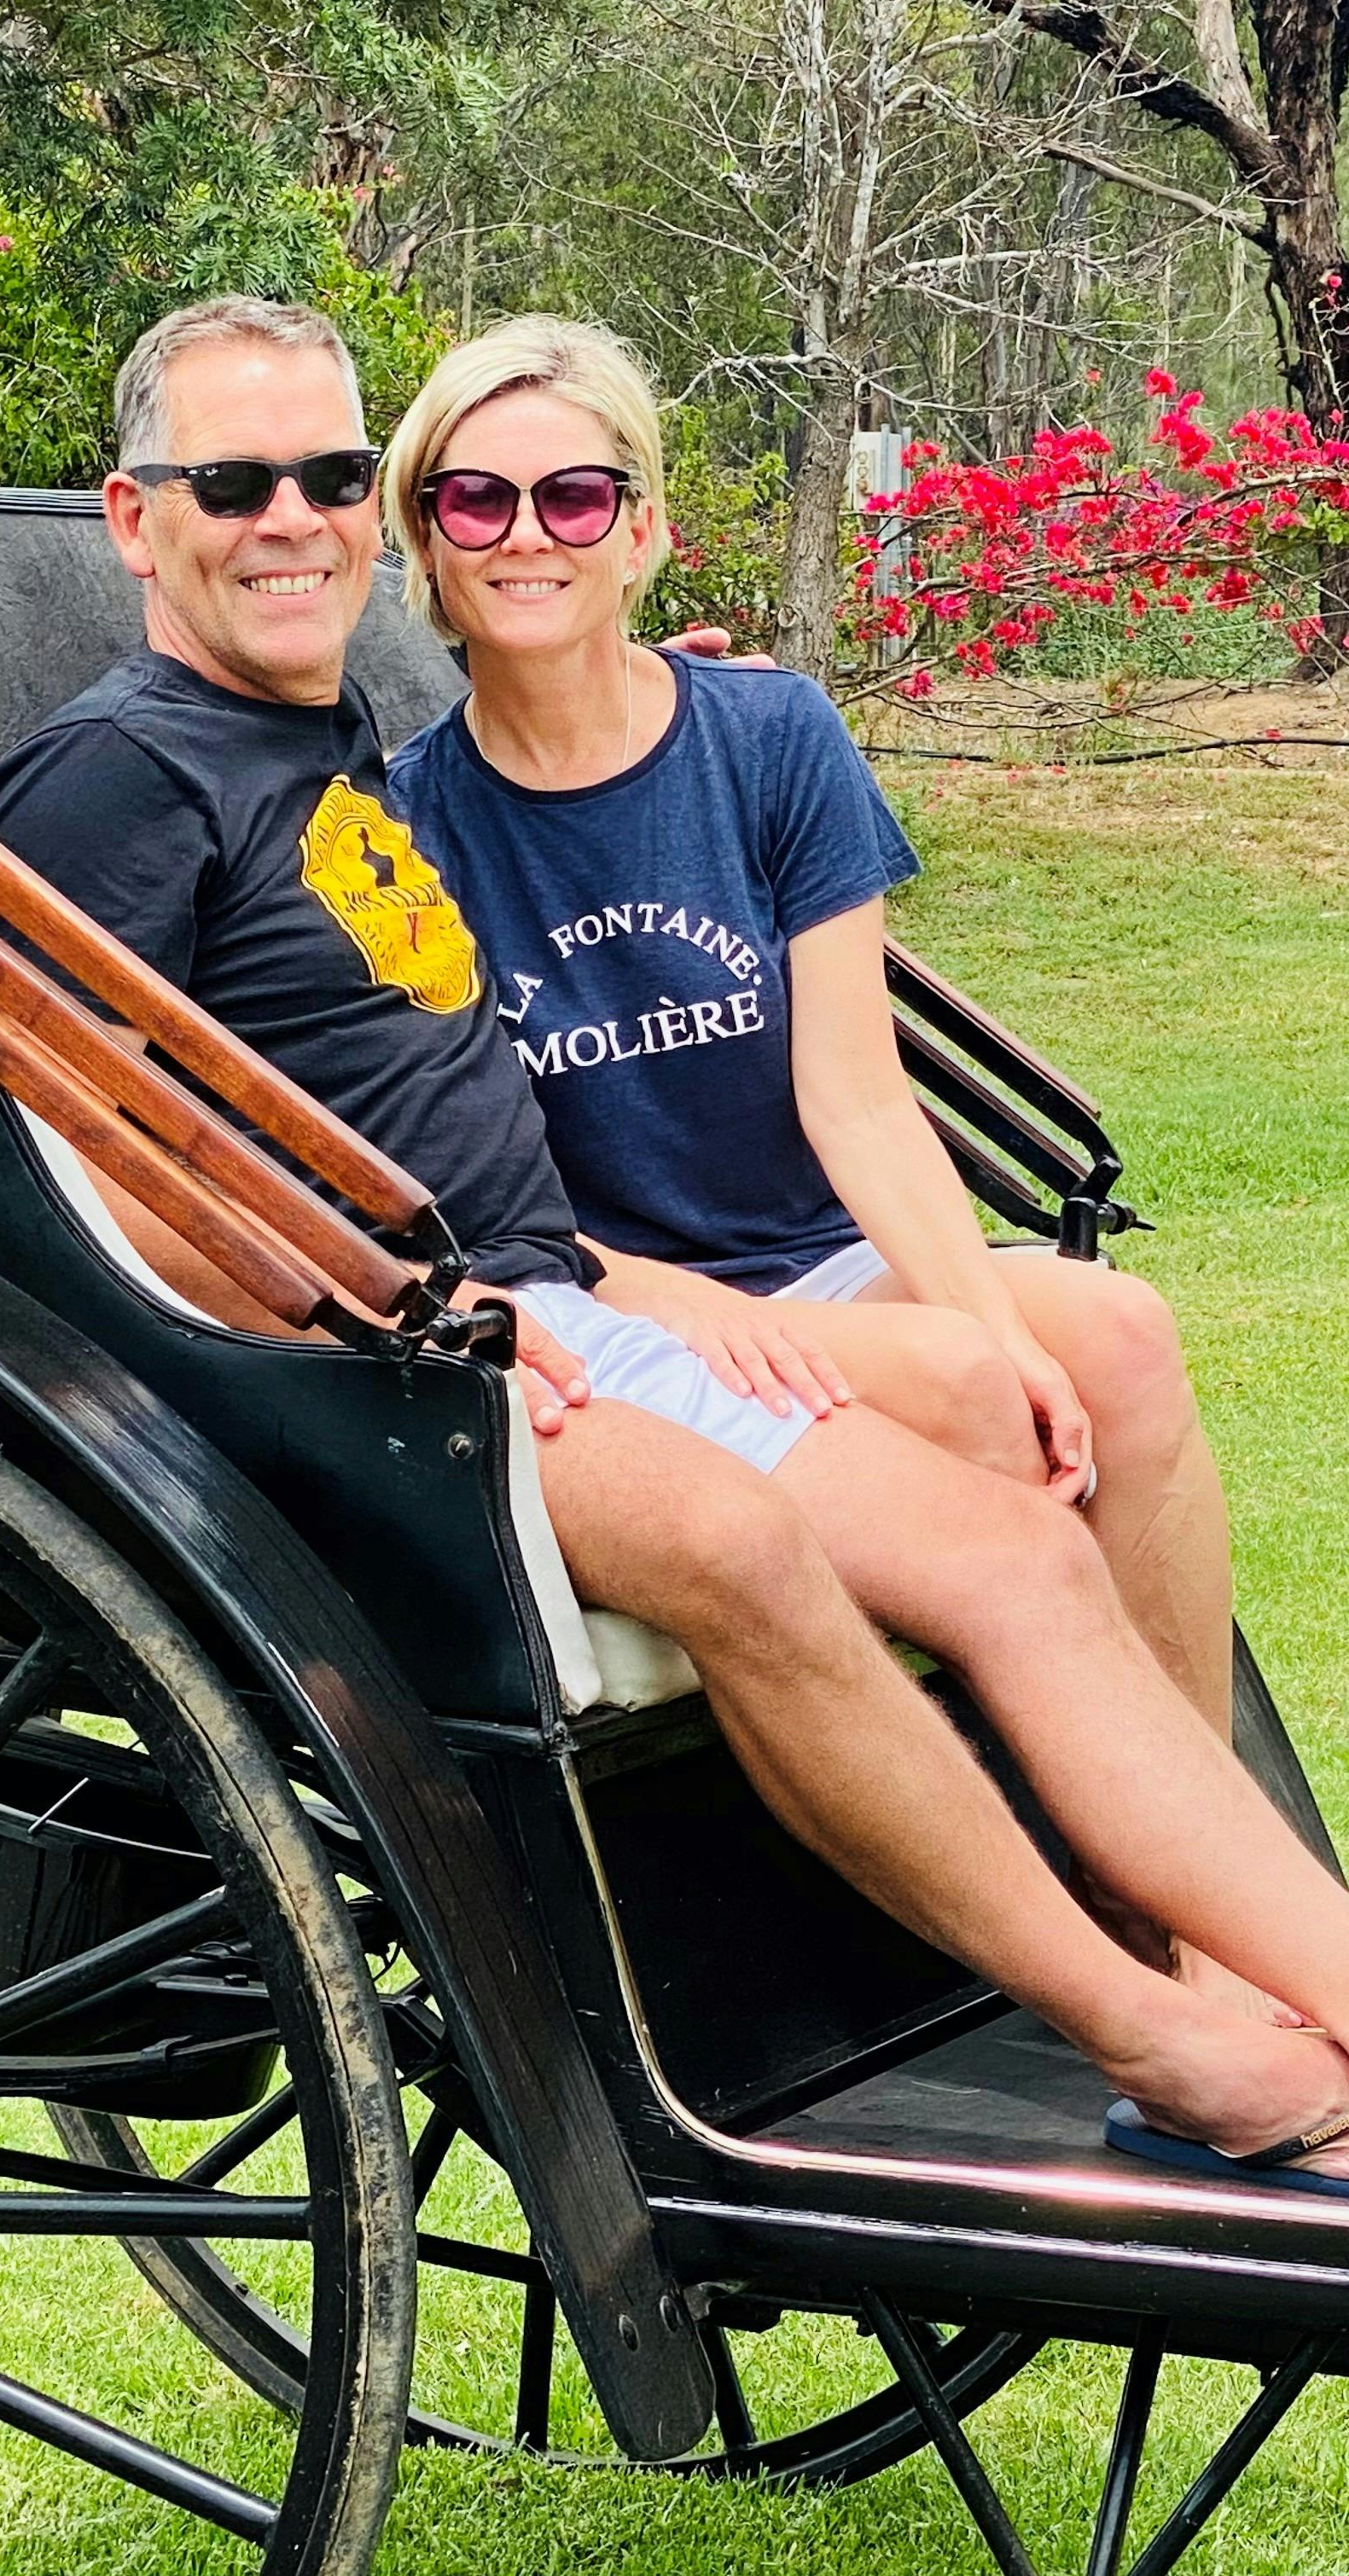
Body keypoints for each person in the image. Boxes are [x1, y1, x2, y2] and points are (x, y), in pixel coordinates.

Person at [0, 293, 1349, 2180]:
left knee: (1014, 1553)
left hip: (539, 1315)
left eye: (327, 475)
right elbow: (85, 1153)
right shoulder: (119, 777)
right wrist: (405, 1296)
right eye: (236, 481)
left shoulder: (335, 746)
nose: (293, 516)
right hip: (389, 1375)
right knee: (749, 1537)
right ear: (136, 519)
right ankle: (1184, 2040)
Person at [378, 316, 1239, 1766]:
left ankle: (1210, 1888)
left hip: (829, 1253)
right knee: (972, 1392)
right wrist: (673, 1301)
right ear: (428, 538)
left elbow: (858, 1096)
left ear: (641, 531)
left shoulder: (768, 736)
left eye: (573, 497)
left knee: (1120, 1338)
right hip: (630, 1303)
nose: (528, 535)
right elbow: (471, 1186)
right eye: (478, 499)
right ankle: (1065, 1840)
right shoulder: (407, 829)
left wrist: (995, 1315)